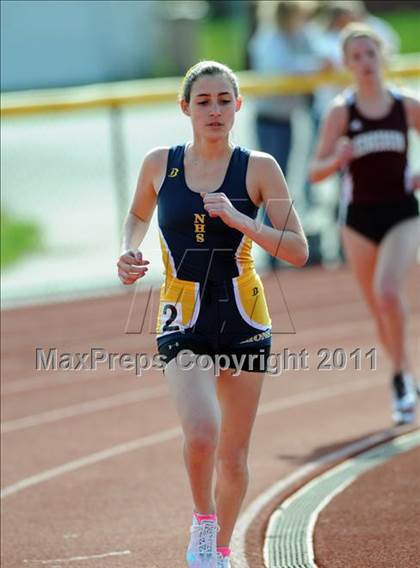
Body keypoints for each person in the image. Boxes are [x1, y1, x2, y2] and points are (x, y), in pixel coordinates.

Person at [117, 61, 308, 568]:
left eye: (225, 100)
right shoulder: (161, 163)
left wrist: (243, 219)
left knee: (234, 455)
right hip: (182, 314)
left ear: (238, 106)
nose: (215, 110)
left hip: (244, 314)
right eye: (203, 101)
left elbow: (297, 249)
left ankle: (219, 551)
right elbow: (137, 215)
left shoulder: (260, 167)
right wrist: (127, 251)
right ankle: (204, 524)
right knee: (202, 433)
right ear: (186, 108)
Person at [310, 24, 420, 426]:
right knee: (378, 307)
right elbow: (313, 172)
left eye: (370, 54)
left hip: (402, 213)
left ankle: (399, 380)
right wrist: (337, 159)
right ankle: (406, 371)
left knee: (388, 293)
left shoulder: (406, 104)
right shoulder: (342, 111)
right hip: (358, 220)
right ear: (347, 64)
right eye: (355, 56)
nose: (364, 62)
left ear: (382, 57)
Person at [248, 0, 329, 268]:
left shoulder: (301, 34)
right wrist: (314, 64)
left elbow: (322, 51)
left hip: (291, 118)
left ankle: (284, 244)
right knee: (270, 184)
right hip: (269, 119)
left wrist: (317, 61)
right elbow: (282, 68)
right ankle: (271, 249)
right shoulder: (268, 39)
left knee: (286, 182)